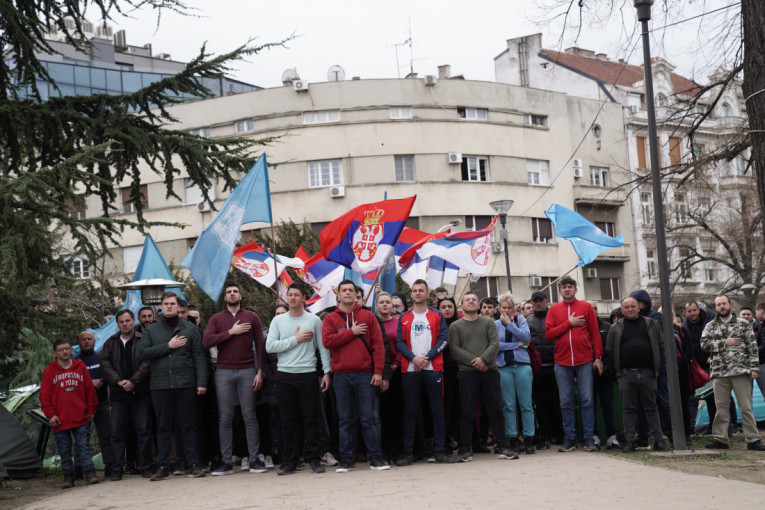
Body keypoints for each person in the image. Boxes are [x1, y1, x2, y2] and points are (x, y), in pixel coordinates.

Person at [322, 279, 389, 472]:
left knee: (368, 418)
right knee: (344, 420)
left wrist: (378, 372)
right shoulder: (330, 319)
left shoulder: (368, 316)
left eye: (351, 290)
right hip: (341, 376)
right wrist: (351, 332)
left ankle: (375, 458)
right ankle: (345, 459)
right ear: (339, 295)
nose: (348, 293)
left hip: (364, 374)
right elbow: (327, 342)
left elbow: (378, 346)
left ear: (355, 293)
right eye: (344, 290)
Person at [140, 292, 208, 480]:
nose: (169, 306)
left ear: (179, 307)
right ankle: (162, 466)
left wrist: (202, 382)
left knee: (188, 425)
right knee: (163, 426)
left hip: (185, 383)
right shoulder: (152, 330)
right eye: (166, 303)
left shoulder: (189, 328)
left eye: (172, 303)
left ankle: (194, 464)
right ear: (161, 307)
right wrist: (168, 346)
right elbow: (142, 353)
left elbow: (199, 357)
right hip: (160, 385)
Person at [266, 284, 332, 475]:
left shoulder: (314, 320)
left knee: (311, 419)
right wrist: (295, 339)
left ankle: (314, 459)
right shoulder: (278, 321)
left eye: (296, 295)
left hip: (308, 374)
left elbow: (323, 348)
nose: (292, 298)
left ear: (304, 297)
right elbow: (270, 347)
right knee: (288, 421)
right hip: (285, 375)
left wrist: (327, 372)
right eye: (290, 295)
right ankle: (290, 461)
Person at [203, 284, 267, 475]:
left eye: (235, 291)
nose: (232, 294)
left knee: (250, 416)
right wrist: (231, 332)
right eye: (229, 292)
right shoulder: (216, 318)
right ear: (225, 298)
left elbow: (260, 344)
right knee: (225, 418)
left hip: (248, 370)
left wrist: (260, 371)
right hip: (223, 372)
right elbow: (207, 341)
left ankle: (255, 459)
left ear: (240, 295)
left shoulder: (251, 317)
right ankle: (226, 461)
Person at [448, 291, 515, 462]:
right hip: (467, 373)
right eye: (467, 300)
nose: (471, 302)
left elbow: (494, 343)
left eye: (474, 300)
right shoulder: (455, 326)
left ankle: (504, 446)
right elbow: (454, 349)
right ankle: (465, 449)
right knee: (467, 412)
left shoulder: (488, 322)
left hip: (489, 371)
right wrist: (475, 361)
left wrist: (483, 359)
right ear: (461, 306)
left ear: (478, 305)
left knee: (496, 409)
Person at [395, 279, 453, 465]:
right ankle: (408, 452)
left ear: (428, 295)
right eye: (415, 290)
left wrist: (427, 357)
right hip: (410, 370)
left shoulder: (437, 315)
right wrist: (414, 358)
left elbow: (444, 339)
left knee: (437, 411)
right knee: (409, 411)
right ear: (411, 294)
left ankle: (439, 451)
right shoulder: (404, 317)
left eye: (421, 290)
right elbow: (400, 342)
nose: (418, 293)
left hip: (433, 368)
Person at [544, 276, 603, 452]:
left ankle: (588, 438)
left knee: (587, 399)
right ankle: (569, 437)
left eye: (570, 286)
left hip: (584, 360)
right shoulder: (553, 310)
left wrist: (598, 357)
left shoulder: (585, 307)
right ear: (559, 291)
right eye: (564, 287)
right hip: (562, 361)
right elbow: (549, 334)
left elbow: (595, 334)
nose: (567, 289)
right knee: (565, 401)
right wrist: (569, 323)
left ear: (576, 289)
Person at [701, 295, 765, 451]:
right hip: (720, 373)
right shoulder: (710, 326)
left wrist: (754, 368)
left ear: (730, 305)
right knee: (721, 407)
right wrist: (725, 343)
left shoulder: (743, 325)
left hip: (740, 371)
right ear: (715, 308)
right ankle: (720, 439)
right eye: (718, 305)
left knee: (746, 407)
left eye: (724, 303)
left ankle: (753, 439)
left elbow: (752, 348)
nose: (722, 306)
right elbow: (704, 344)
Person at [606, 297, 668, 452]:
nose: (630, 309)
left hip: (648, 373)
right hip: (626, 375)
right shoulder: (615, 328)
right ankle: (628, 442)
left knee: (651, 408)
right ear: (622, 310)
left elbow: (661, 346)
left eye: (633, 306)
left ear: (638, 308)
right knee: (628, 409)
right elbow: (610, 350)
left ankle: (659, 441)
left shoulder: (651, 324)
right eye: (626, 307)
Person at [99, 310, 153, 481]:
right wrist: (118, 381)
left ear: (134, 321)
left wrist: (134, 381)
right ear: (117, 323)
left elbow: (148, 361)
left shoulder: (143, 339)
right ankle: (116, 470)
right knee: (117, 433)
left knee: (143, 431)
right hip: (118, 395)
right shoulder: (111, 342)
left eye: (128, 321)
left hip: (140, 392)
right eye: (121, 321)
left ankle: (146, 467)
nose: (125, 324)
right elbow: (104, 362)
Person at [40, 338, 99, 488]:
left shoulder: (81, 367)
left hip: (81, 416)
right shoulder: (49, 371)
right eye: (61, 349)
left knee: (84, 447)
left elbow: (89, 390)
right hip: (60, 419)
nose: (65, 352)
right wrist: (51, 415)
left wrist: (91, 409)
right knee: (64, 450)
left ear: (72, 350)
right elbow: (44, 397)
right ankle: (68, 477)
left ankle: (90, 474)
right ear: (55, 353)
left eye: (67, 348)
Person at [495, 292, 532, 457]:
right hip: (504, 367)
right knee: (508, 406)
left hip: (523, 366)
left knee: (526, 405)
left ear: (514, 308)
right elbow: (495, 345)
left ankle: (530, 438)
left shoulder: (520, 320)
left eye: (510, 308)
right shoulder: (494, 324)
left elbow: (526, 337)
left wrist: (510, 325)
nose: (507, 310)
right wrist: (516, 344)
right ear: (499, 308)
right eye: (504, 308)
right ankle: (512, 438)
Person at [528, 290, 562, 449]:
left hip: (556, 366)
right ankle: (544, 434)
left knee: (557, 402)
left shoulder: (555, 317)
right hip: (537, 368)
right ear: (532, 303)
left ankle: (559, 433)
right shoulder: (527, 321)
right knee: (539, 403)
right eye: (536, 301)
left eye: (541, 300)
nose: (538, 303)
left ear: (546, 301)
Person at [76, 331, 113, 477]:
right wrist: (89, 384)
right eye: (83, 339)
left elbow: (109, 375)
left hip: (102, 402)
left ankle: (110, 465)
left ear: (94, 341)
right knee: (81, 437)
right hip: (82, 406)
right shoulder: (76, 362)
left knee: (106, 436)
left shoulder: (101, 359)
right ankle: (79, 468)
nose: (86, 341)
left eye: (89, 339)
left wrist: (101, 382)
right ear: (79, 343)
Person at [376, 291, 404, 462]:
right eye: (382, 302)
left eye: (388, 302)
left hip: (398, 372)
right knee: (382, 414)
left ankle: (398, 450)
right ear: (377, 305)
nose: (386, 305)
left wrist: (395, 365)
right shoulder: (372, 323)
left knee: (398, 412)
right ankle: (384, 451)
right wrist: (383, 370)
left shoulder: (399, 323)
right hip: (380, 373)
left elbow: (404, 344)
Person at [590, 302, 618, 450]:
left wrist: (605, 365)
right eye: (590, 309)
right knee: (590, 405)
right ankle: (593, 436)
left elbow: (611, 350)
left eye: (595, 308)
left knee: (608, 405)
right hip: (587, 374)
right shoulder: (582, 328)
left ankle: (611, 437)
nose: (593, 311)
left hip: (605, 374)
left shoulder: (607, 327)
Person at [755, 302, 765, 401]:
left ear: (761, 311)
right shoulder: (761, 326)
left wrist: (751, 355)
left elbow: (763, 345)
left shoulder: (763, 326)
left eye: (756, 312)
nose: (756, 315)